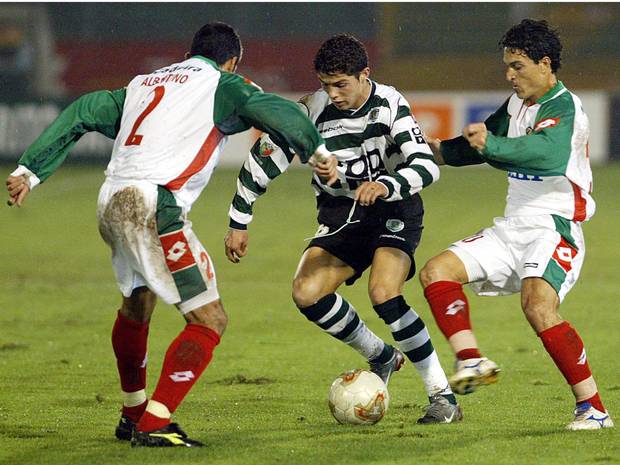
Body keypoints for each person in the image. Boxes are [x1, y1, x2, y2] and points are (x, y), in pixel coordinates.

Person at [5, 22, 337, 447]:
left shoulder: (143, 84)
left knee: (137, 302)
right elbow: (281, 111)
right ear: (232, 61)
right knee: (209, 319)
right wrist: (317, 150)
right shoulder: (222, 83)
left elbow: (82, 110)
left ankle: (132, 412)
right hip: (153, 206)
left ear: (188, 53)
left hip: (111, 200)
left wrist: (30, 169)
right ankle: (155, 422)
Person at [225, 34, 462, 424]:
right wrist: (239, 221)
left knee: (384, 293)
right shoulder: (312, 112)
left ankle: (442, 396)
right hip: (342, 215)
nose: (332, 94)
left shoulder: (389, 104)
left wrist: (386, 184)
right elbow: (263, 160)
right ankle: (380, 356)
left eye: (341, 84)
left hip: (393, 207)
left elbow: (425, 165)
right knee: (306, 292)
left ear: (364, 75)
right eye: (325, 84)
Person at [419, 19, 613, 430]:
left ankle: (593, 409)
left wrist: (492, 146)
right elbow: (480, 144)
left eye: (518, 65)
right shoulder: (517, 105)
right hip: (512, 228)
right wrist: (433, 151)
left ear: (545, 64)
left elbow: (545, 154)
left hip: (555, 227)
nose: (510, 74)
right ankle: (471, 358)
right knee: (437, 271)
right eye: (508, 65)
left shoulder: (565, 108)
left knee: (538, 305)